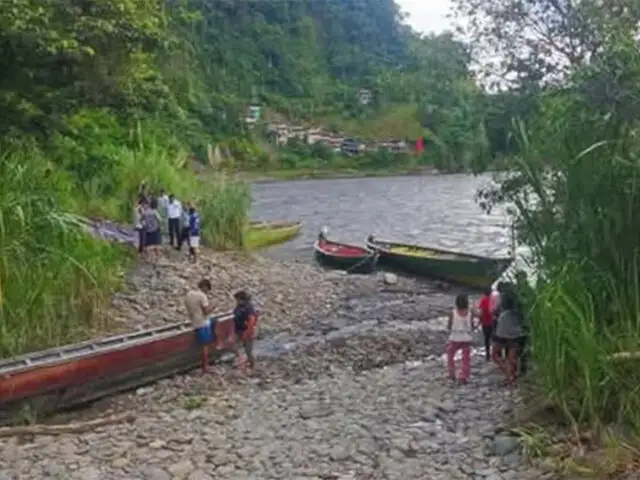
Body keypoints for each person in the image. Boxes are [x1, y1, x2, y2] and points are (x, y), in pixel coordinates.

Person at [491, 289, 528, 385]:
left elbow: (500, 334)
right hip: (517, 337)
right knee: (512, 358)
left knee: (495, 356)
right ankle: (513, 375)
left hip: (505, 337)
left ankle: (509, 375)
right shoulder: (518, 314)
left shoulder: (503, 316)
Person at [185, 279, 216, 372]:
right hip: (202, 323)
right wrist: (214, 306)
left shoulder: (189, 294)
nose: (207, 292)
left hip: (193, 321)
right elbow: (206, 311)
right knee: (204, 346)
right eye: (207, 289)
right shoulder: (202, 296)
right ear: (205, 287)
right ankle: (205, 367)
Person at [446, 293, 475, 384]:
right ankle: (464, 376)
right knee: (466, 357)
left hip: (455, 337)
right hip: (466, 338)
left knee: (450, 354)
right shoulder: (470, 313)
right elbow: (472, 326)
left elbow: (449, 326)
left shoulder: (453, 312)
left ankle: (452, 373)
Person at [232, 290, 258, 369]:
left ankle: (252, 365)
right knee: (233, 345)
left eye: (237, 299)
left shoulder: (248, 307)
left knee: (248, 351)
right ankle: (240, 359)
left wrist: (247, 332)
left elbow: (252, 319)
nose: (236, 301)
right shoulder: (239, 306)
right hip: (238, 330)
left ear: (241, 299)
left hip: (247, 331)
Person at [476, 287, 494, 361]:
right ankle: (495, 354)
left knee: (486, 339)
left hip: (485, 322)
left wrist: (479, 322)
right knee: (493, 338)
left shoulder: (483, 300)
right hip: (492, 322)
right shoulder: (492, 300)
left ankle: (488, 355)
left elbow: (481, 312)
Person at [142, 197, 162, 263]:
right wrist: (159, 226)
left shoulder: (146, 211)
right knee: (155, 245)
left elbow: (141, 219)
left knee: (148, 244)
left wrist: (144, 224)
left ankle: (149, 258)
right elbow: (160, 220)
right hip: (155, 230)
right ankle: (157, 258)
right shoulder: (155, 212)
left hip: (147, 230)